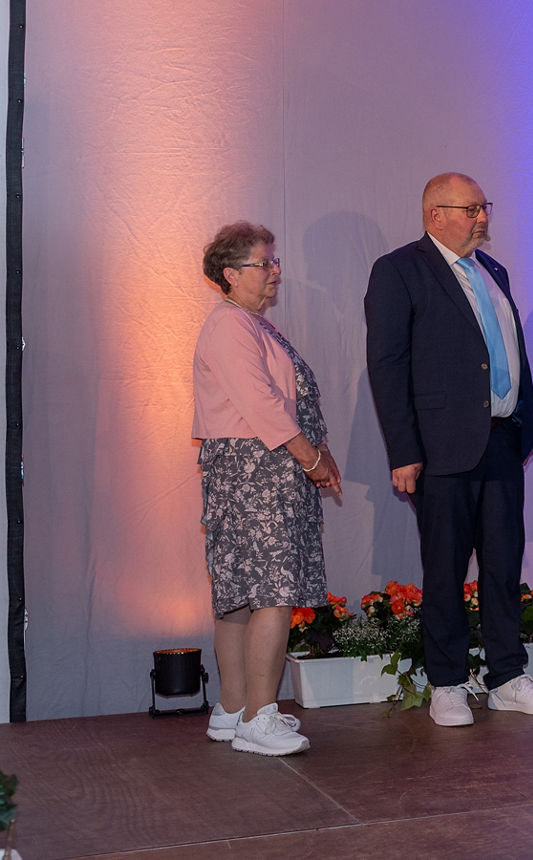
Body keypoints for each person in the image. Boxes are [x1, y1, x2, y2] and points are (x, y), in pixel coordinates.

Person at [365, 172, 533, 727]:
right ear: (435, 215)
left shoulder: (491, 269)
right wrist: (404, 450)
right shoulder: (398, 270)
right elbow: (387, 366)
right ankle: (447, 681)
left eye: (484, 207)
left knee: (503, 566)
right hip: (439, 448)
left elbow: (507, 350)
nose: (483, 218)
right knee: (445, 569)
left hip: (501, 440)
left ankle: (506, 676)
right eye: (472, 208)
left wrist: (526, 424)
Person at [193, 221, 342, 756]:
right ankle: (259, 714)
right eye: (264, 263)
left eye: (275, 261)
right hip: (257, 467)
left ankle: (232, 709)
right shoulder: (231, 327)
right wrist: (309, 456)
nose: (275, 272)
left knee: (241, 595)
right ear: (231, 275)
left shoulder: (250, 325)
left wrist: (317, 452)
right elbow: (261, 404)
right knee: (271, 591)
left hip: (253, 466)